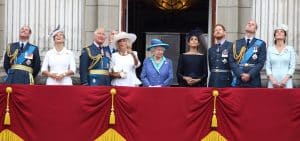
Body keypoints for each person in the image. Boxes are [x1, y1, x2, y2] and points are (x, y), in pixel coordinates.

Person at [229, 20, 266, 87]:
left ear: (255, 29)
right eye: (248, 23)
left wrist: (250, 75)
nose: (250, 25)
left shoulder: (261, 44)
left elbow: (261, 62)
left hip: (254, 79)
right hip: (238, 79)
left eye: (252, 24)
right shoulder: (236, 43)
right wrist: (240, 74)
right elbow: (232, 61)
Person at [266, 24, 296, 88]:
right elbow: (268, 66)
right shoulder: (270, 49)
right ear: (274, 36)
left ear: (285, 36)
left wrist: (285, 80)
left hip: (287, 81)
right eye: (277, 32)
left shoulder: (290, 49)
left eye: (281, 31)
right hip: (273, 82)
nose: (279, 33)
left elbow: (292, 66)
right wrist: (273, 80)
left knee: (287, 98)